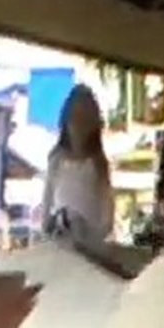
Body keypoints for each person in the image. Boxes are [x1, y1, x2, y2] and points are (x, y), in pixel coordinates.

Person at [40, 84, 115, 245]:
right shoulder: (56, 160)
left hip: (89, 244)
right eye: (75, 118)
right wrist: (48, 228)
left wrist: (93, 237)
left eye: (85, 120)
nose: (79, 126)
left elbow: (107, 212)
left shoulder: (97, 163)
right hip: (59, 239)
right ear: (65, 122)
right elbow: (46, 201)